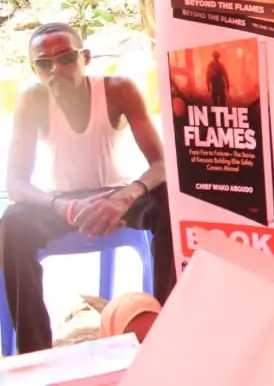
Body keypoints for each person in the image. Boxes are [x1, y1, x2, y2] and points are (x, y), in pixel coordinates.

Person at [1, 23, 175, 354]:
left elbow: (161, 164)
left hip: (118, 196)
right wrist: (62, 206)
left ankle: (166, 329)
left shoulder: (118, 90)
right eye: (44, 63)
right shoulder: (32, 100)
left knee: (167, 201)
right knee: (13, 222)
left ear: (86, 58)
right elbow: (17, 184)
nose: (55, 69)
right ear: (34, 70)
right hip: (60, 205)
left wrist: (126, 196)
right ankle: (34, 354)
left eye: (66, 58)